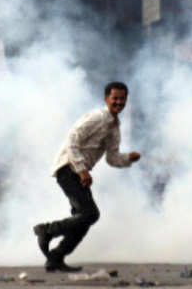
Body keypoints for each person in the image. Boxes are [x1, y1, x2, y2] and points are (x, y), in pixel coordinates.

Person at [33, 81, 142, 272]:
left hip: (78, 171)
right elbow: (71, 140)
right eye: (115, 98)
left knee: (84, 219)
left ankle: (56, 258)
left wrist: (129, 158)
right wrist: (82, 169)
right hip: (69, 168)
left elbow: (112, 158)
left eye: (122, 99)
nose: (118, 102)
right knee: (90, 214)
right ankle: (47, 230)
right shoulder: (98, 117)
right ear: (106, 98)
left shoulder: (115, 126)